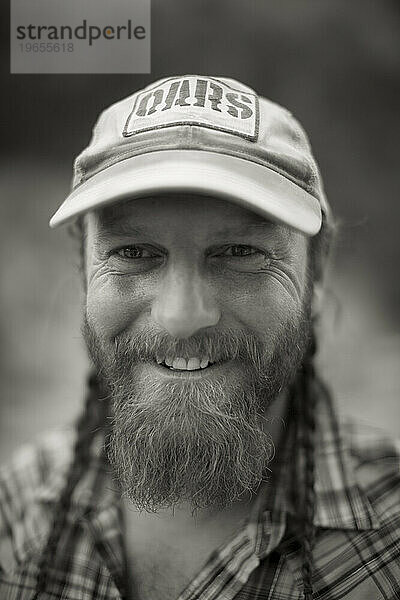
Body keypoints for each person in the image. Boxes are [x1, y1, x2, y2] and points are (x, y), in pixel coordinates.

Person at [0, 75, 399, 600]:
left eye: (240, 252)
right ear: (82, 265)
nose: (181, 316)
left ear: (317, 271)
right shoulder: (17, 510)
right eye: (133, 252)